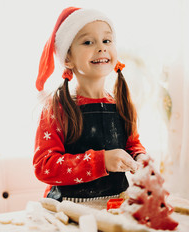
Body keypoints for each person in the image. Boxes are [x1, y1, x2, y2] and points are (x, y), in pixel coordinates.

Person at [33, 6, 151, 202]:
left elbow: (133, 145)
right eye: (88, 42)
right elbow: (45, 166)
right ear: (68, 58)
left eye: (107, 40)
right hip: (67, 212)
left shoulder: (121, 103)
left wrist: (141, 159)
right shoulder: (56, 108)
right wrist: (101, 161)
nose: (101, 47)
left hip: (115, 207)